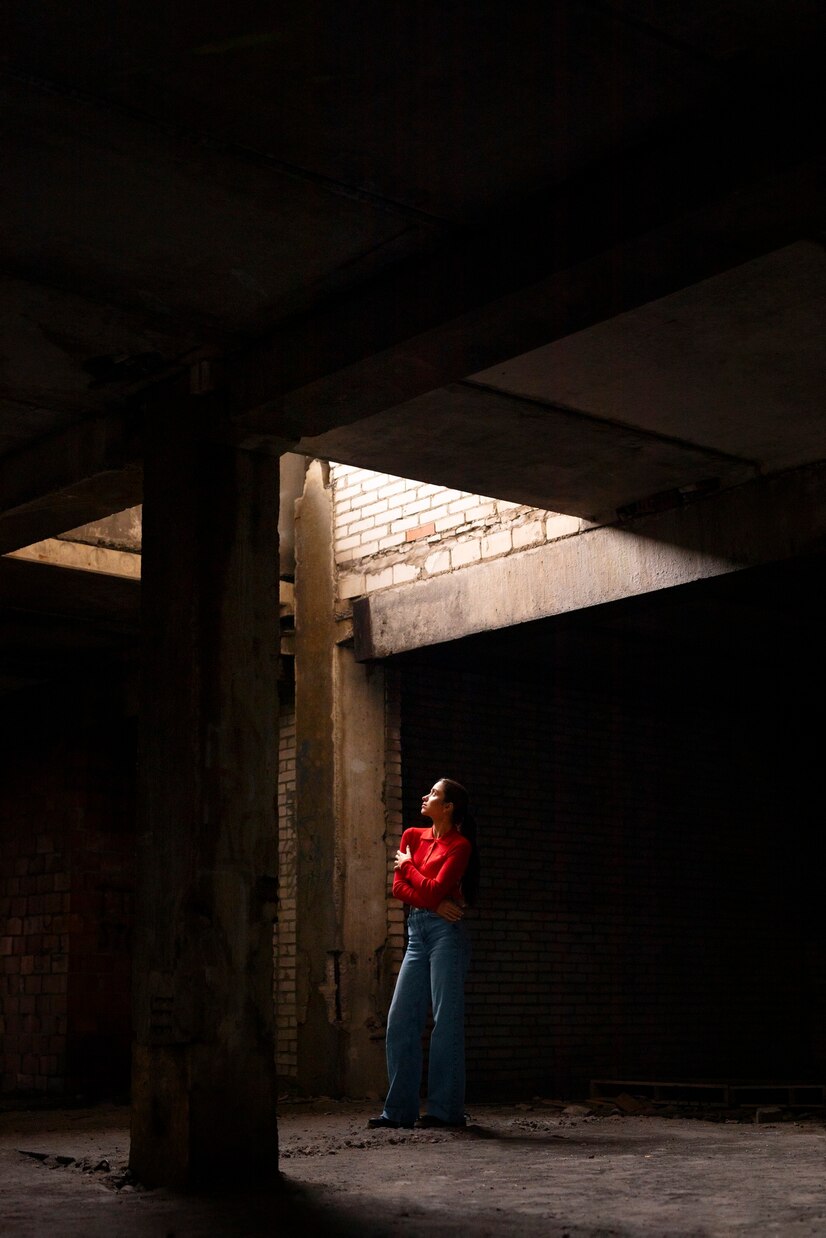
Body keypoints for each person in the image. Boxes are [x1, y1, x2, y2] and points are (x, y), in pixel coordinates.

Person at [368, 777, 480, 1130]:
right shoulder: (412, 837)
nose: (425, 796)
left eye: (433, 794)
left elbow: (432, 889)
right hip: (418, 932)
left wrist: (410, 867)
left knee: (445, 1023)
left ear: (448, 808)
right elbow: (400, 889)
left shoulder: (460, 846)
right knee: (401, 1019)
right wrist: (431, 896)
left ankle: (445, 1112)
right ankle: (399, 1111)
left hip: (448, 934)